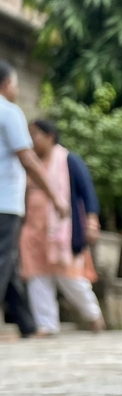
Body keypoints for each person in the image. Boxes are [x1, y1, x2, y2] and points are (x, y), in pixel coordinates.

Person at [0, 61, 67, 338]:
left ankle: (26, 323)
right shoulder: (9, 111)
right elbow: (26, 157)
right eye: (15, 84)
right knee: (3, 260)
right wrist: (54, 196)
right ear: (5, 85)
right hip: (5, 201)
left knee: (11, 262)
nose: (16, 90)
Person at [19, 119, 105, 335]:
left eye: (35, 135)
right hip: (33, 229)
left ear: (49, 137)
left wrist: (92, 222)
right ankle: (46, 324)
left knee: (71, 278)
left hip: (62, 231)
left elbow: (87, 194)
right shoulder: (28, 163)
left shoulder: (68, 161)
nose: (30, 140)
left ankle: (93, 315)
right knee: (37, 277)